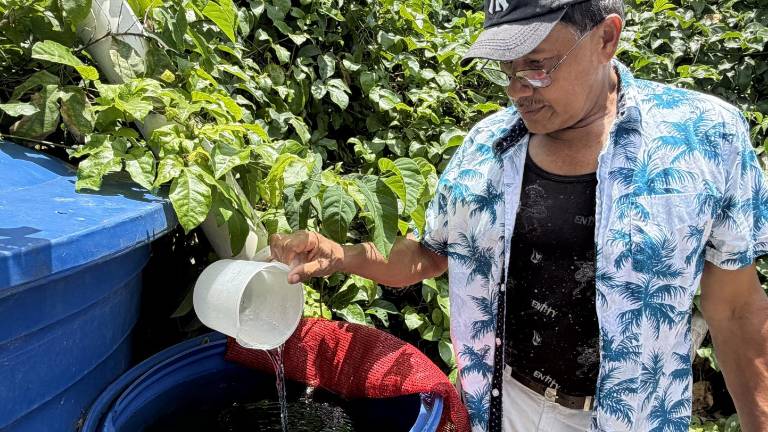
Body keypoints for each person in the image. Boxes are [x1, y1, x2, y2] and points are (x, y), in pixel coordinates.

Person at [268, 0, 768, 431]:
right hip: (503, 405)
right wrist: (342, 255)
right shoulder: (486, 145)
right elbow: (428, 255)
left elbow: (736, 309)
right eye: (506, 70)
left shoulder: (704, 138)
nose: (516, 90)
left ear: (606, 38)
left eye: (537, 66)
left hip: (635, 416)